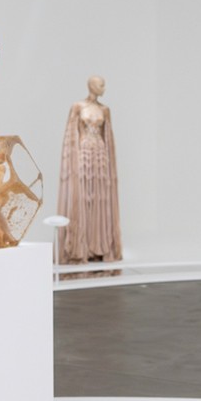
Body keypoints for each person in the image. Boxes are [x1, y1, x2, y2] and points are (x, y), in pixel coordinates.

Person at [57, 75, 122, 268]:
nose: (104, 87)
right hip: (83, 154)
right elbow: (70, 135)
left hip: (100, 156)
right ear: (92, 86)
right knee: (83, 198)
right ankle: (81, 248)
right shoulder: (78, 107)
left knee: (100, 198)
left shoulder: (105, 110)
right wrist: (71, 161)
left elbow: (108, 137)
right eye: (101, 84)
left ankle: (99, 248)